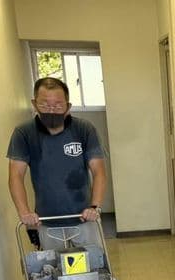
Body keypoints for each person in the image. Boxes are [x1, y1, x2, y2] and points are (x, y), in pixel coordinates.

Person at [7, 77, 106, 248]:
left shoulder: (84, 129)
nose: (52, 111)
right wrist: (25, 213)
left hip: (84, 219)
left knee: (93, 262)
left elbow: (99, 172)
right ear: (34, 104)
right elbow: (15, 176)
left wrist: (94, 206)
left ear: (68, 107)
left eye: (58, 106)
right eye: (45, 105)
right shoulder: (24, 133)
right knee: (53, 264)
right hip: (46, 221)